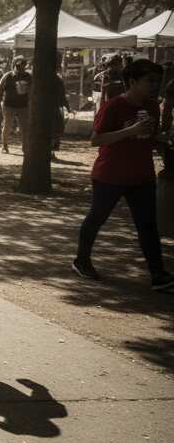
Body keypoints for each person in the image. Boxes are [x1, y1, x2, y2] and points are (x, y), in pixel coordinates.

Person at [73, 59, 173, 293]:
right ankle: (81, 261)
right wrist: (131, 131)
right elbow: (96, 140)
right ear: (132, 82)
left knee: (148, 225)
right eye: (149, 80)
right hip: (110, 175)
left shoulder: (151, 107)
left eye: (157, 81)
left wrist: (161, 140)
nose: (154, 85)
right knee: (96, 218)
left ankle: (157, 274)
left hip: (142, 176)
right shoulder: (113, 106)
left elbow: (148, 138)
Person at [0, 57, 32, 154]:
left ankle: (25, 147)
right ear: (14, 65)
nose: (19, 68)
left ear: (25, 66)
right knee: (7, 125)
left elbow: (33, 91)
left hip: (23, 105)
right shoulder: (7, 76)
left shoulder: (29, 76)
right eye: (18, 66)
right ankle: (4, 146)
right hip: (8, 104)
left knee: (24, 127)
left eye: (22, 66)